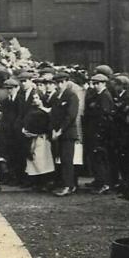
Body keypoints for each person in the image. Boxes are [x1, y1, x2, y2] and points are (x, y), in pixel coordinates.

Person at [51, 69, 79, 197]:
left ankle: (68, 186)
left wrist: (60, 130)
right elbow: (53, 115)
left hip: (67, 133)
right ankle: (70, 184)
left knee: (67, 160)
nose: (59, 85)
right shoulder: (57, 96)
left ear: (67, 82)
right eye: (57, 82)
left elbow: (70, 115)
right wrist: (53, 130)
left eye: (61, 82)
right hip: (58, 133)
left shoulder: (71, 95)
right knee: (62, 160)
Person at [84, 73, 113, 194]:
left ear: (104, 83)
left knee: (99, 157)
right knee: (95, 157)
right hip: (94, 131)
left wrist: (100, 133)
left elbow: (104, 116)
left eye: (98, 83)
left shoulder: (105, 96)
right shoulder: (97, 96)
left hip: (100, 132)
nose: (96, 86)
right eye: (94, 83)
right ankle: (99, 180)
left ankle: (104, 183)